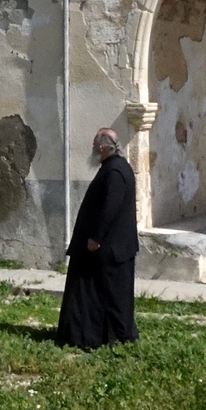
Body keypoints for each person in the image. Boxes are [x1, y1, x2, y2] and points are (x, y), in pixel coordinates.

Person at [55, 126, 139, 349]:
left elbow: (109, 209)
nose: (93, 150)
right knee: (102, 294)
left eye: (94, 146)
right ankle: (96, 335)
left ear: (102, 148)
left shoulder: (115, 172)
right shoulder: (116, 168)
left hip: (108, 249)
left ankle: (103, 336)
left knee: (107, 296)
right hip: (111, 248)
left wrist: (96, 237)